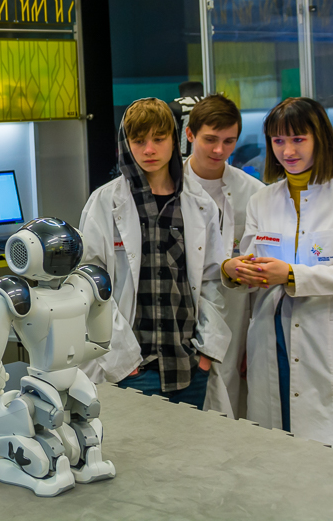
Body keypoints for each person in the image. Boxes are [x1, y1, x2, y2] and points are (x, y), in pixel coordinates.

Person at [222, 97, 333, 451]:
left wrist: (292, 275)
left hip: (328, 343)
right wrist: (235, 270)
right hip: (272, 338)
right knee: (275, 449)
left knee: (330, 456)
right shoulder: (262, 200)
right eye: (278, 141)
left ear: (320, 138)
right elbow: (252, 263)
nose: (287, 151)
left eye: (298, 139)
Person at [79, 98, 229, 408]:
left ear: (174, 140)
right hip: (132, 368)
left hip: (188, 366)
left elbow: (212, 281)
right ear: (126, 144)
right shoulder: (104, 203)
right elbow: (89, 286)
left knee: (193, 441)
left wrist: (205, 354)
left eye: (159, 139)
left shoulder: (200, 204)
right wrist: (125, 363)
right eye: (139, 141)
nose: (149, 149)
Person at [182, 95, 264, 418]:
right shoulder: (169, 187)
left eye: (229, 141)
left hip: (235, 314)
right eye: (210, 139)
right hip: (181, 314)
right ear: (190, 134)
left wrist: (252, 343)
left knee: (229, 405)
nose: (219, 150)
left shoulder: (253, 193)